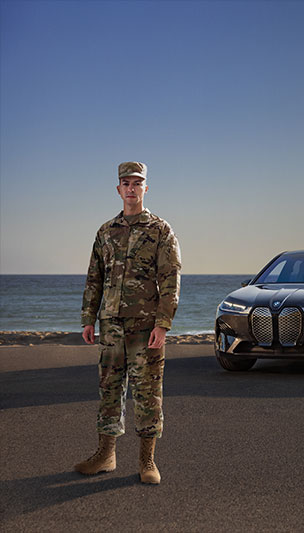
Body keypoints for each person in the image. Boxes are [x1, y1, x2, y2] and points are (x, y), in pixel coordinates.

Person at [75, 161, 181, 485]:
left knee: (148, 392)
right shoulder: (105, 233)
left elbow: (171, 278)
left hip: (144, 327)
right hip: (110, 326)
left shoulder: (160, 230)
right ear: (118, 189)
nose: (131, 188)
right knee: (109, 389)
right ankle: (105, 455)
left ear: (145, 188)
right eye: (126, 183)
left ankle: (147, 461)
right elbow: (95, 278)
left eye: (137, 183)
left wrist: (163, 324)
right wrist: (88, 318)